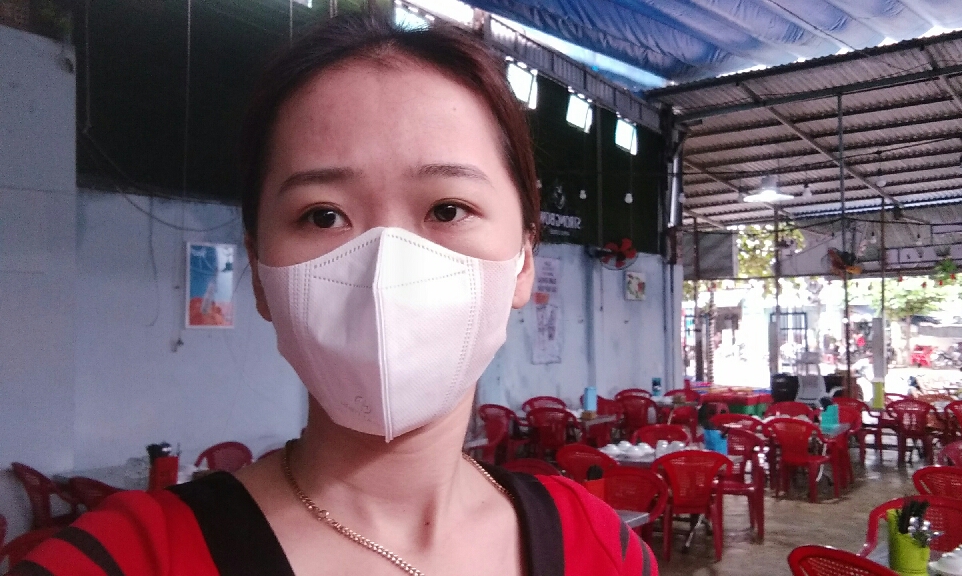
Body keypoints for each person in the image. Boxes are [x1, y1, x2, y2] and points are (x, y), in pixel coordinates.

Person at [16, 11, 656, 576]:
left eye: (448, 208)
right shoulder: (125, 559)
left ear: (522, 263)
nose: (384, 270)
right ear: (260, 274)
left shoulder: (603, 548)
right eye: (323, 215)